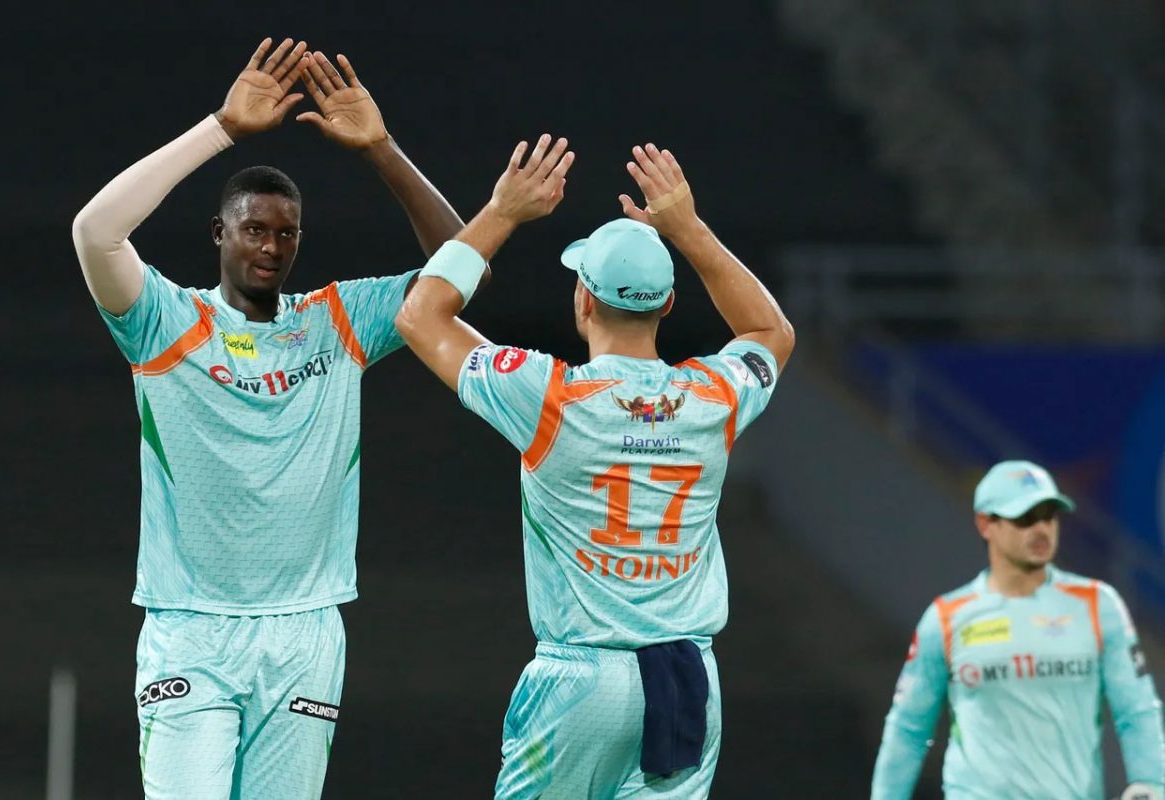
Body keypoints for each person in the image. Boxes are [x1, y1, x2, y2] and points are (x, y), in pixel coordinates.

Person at [71, 38, 463, 799]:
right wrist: (221, 127)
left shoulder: (339, 320)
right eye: (254, 229)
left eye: (287, 234)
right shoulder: (162, 321)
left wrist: (382, 149)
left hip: (306, 632)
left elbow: (458, 267)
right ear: (220, 233)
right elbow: (95, 231)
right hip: (191, 629)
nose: (271, 246)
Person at [395, 138, 795, 798]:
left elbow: (421, 315)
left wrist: (502, 211)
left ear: (582, 300)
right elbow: (770, 333)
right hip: (685, 679)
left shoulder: (548, 397)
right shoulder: (715, 397)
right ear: (668, 305)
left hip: (581, 679)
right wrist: (687, 228)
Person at [871, 460, 1165, 799]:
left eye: (1049, 516)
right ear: (985, 524)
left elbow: (1136, 708)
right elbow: (908, 729)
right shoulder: (946, 618)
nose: (1041, 529)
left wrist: (1152, 783)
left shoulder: (1099, 605)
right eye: (1025, 518)